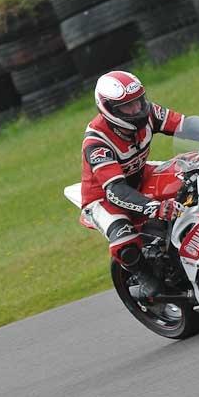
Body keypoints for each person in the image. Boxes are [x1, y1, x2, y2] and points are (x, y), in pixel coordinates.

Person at [79, 70, 186, 300]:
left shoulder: (149, 113)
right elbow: (115, 190)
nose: (136, 110)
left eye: (138, 102)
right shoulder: (97, 142)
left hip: (140, 175)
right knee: (124, 239)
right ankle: (144, 277)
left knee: (191, 174)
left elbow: (184, 124)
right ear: (109, 109)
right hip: (104, 197)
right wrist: (154, 207)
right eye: (128, 107)